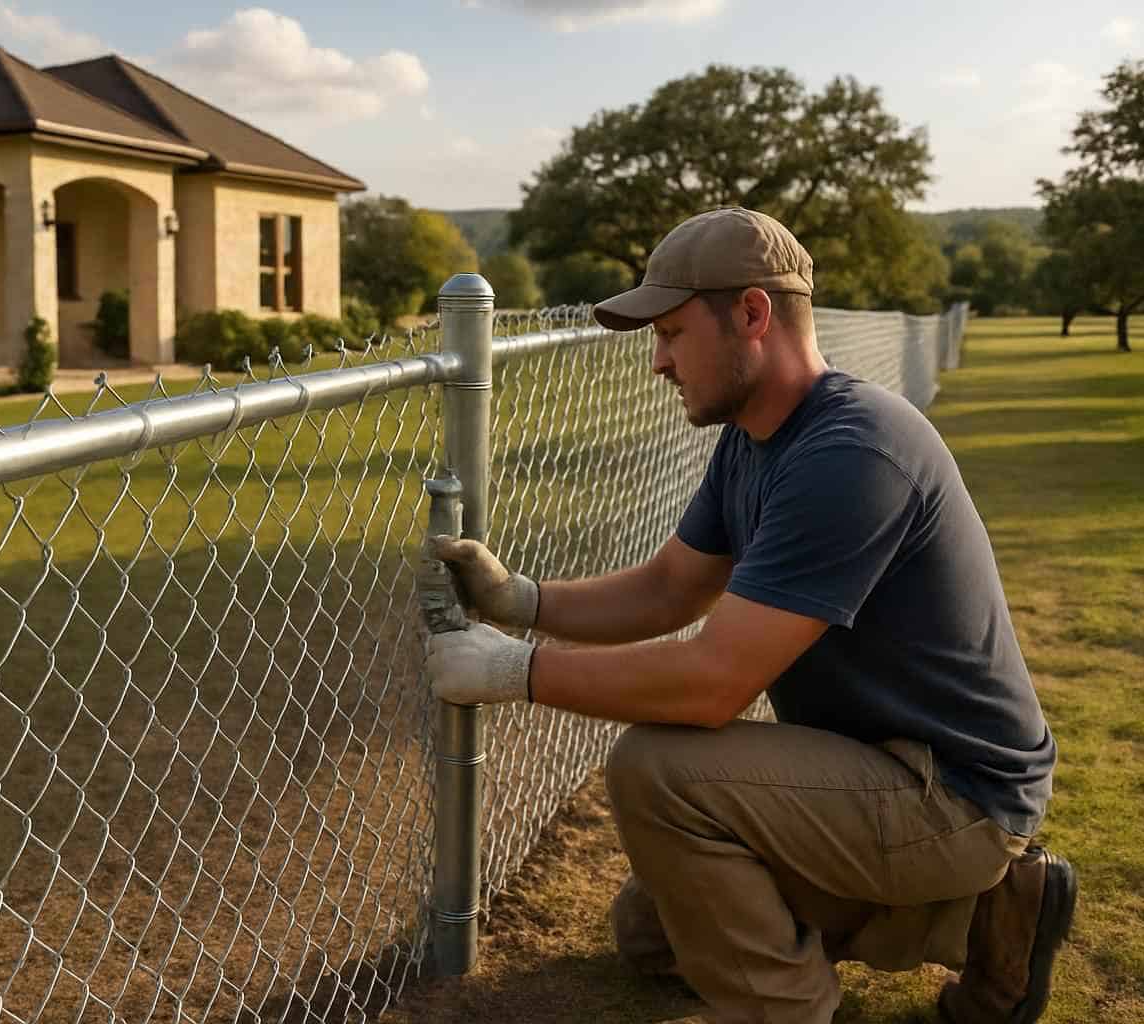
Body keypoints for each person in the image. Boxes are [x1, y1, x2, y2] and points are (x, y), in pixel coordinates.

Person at [423, 207, 1073, 1024]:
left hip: (954, 794)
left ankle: (789, 1008)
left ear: (753, 315)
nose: (658, 361)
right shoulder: (757, 435)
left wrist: (512, 672)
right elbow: (670, 589)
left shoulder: (852, 452)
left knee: (657, 773)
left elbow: (711, 685)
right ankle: (990, 919)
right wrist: (519, 600)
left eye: (671, 332)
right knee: (651, 933)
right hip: (876, 768)